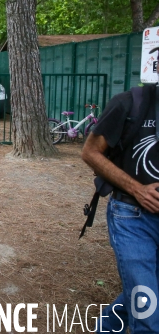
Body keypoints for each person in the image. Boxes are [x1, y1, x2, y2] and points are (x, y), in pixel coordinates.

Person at [82, 84, 159, 333]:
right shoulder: (129, 102)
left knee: (146, 292)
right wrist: (137, 189)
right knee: (147, 309)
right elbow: (90, 152)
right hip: (132, 217)